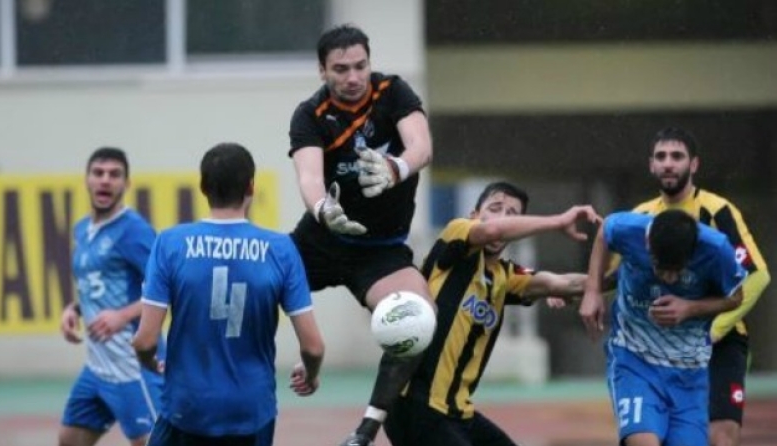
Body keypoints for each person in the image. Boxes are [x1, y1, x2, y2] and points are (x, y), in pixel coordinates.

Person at [288, 24, 433, 446]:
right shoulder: (309, 115)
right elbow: (309, 177)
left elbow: (421, 147)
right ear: (322, 71)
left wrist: (395, 168)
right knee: (255, 285)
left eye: (360, 66)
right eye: (340, 69)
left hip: (380, 252)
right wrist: (323, 210)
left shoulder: (393, 92)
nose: (353, 77)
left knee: (420, 317)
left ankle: (367, 429)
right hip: (321, 242)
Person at [132, 143, 325, 446]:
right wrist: (311, 373)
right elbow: (313, 347)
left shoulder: (170, 244)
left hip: (186, 406)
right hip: (252, 410)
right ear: (251, 187)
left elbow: (145, 341)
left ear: (203, 187)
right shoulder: (281, 250)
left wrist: (150, 363)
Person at [382, 181, 601, 446]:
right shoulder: (456, 235)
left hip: (457, 413)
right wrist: (558, 221)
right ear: (475, 215)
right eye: (495, 208)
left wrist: (629, 275)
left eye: (512, 214)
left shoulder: (505, 276)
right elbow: (493, 230)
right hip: (416, 406)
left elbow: (565, 283)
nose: (502, 219)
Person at [633, 126, 771, 446]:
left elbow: (757, 276)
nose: (669, 163)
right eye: (661, 157)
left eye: (677, 156)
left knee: (720, 437)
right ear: (651, 165)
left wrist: (715, 330)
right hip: (663, 345)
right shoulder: (639, 217)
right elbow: (618, 276)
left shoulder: (718, 211)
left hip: (719, 345)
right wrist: (579, 292)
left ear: (693, 164)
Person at [579, 209, 746, 446]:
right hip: (635, 359)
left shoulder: (716, 248)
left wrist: (690, 308)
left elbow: (737, 297)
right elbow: (605, 230)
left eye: (677, 270)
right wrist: (592, 290)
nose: (668, 278)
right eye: (659, 267)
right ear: (647, 243)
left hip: (689, 372)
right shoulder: (629, 229)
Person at [58, 147, 162, 446]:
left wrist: (123, 316)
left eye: (114, 175)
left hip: (133, 367)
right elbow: (97, 284)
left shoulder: (135, 232)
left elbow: (168, 289)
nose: (105, 180)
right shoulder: (82, 229)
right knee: (69, 440)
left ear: (126, 184)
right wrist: (76, 309)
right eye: (98, 173)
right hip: (97, 367)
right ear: (87, 180)